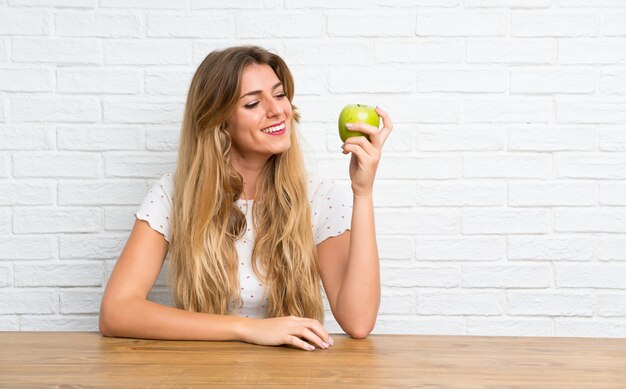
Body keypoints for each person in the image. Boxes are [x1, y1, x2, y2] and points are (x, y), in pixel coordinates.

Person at [99, 46, 393, 351]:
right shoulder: (174, 194)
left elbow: (358, 322)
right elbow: (116, 311)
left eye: (279, 95)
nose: (278, 110)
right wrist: (248, 328)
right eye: (253, 103)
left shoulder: (318, 196)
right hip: (202, 371)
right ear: (220, 122)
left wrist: (362, 192)